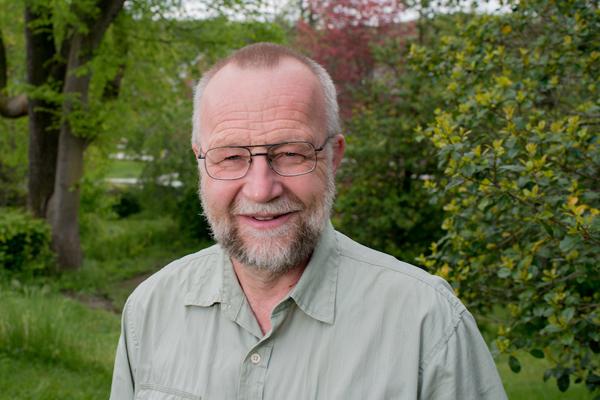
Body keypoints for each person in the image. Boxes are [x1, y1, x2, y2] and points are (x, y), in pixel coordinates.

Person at [110, 42, 507, 399]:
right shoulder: (150, 309)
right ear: (200, 160)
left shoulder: (428, 324)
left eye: (291, 154)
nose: (261, 189)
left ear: (333, 157)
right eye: (231, 157)